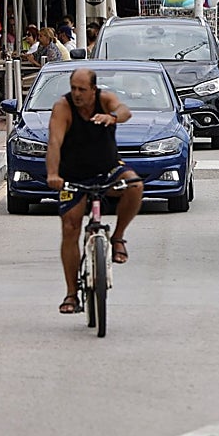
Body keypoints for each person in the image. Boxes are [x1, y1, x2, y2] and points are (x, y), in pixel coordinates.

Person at [46, 67, 143, 315]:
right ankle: (71, 293)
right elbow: (54, 142)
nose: (77, 94)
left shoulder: (105, 99)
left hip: (108, 169)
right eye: (73, 88)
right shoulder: (63, 107)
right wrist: (53, 174)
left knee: (135, 185)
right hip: (74, 176)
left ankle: (118, 237)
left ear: (93, 89)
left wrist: (113, 117)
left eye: (82, 89)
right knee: (70, 227)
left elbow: (125, 110)